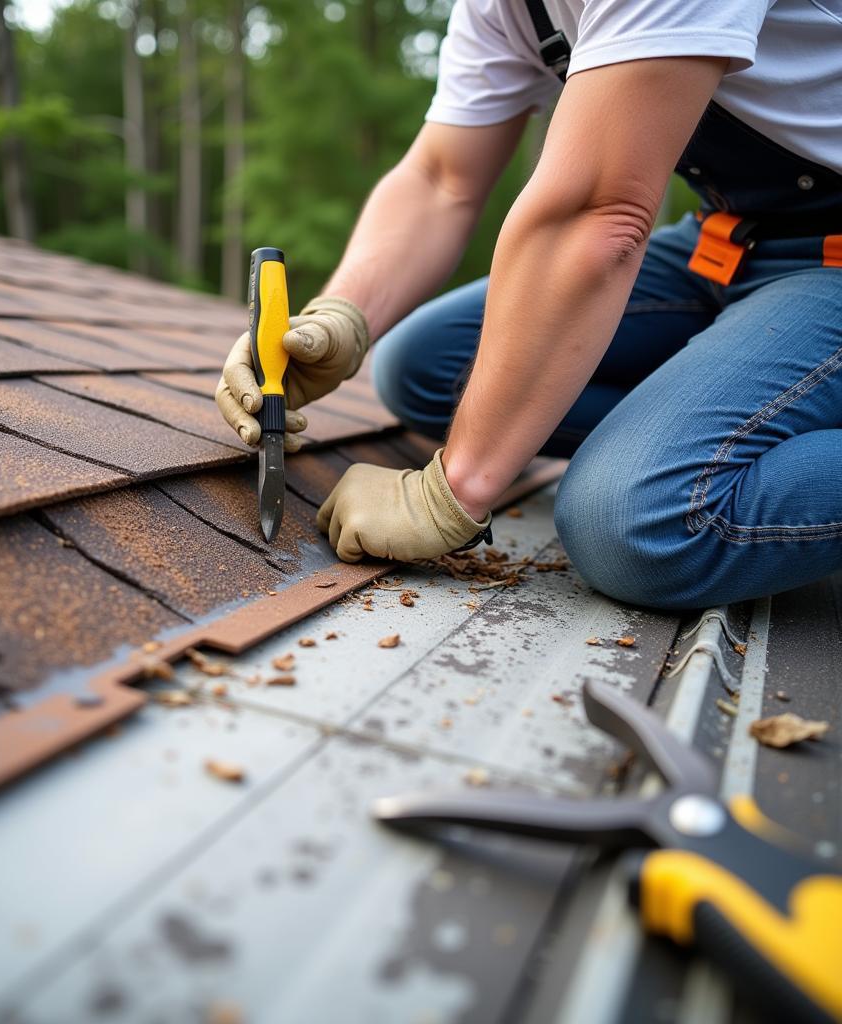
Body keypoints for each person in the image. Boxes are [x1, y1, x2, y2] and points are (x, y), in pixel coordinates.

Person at [216, 0, 842, 611]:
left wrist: (453, 488)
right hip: (729, 241)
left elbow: (597, 213)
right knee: (430, 370)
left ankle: (705, 449)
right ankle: (737, 426)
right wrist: (342, 317)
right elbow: (442, 180)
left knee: (639, 522)